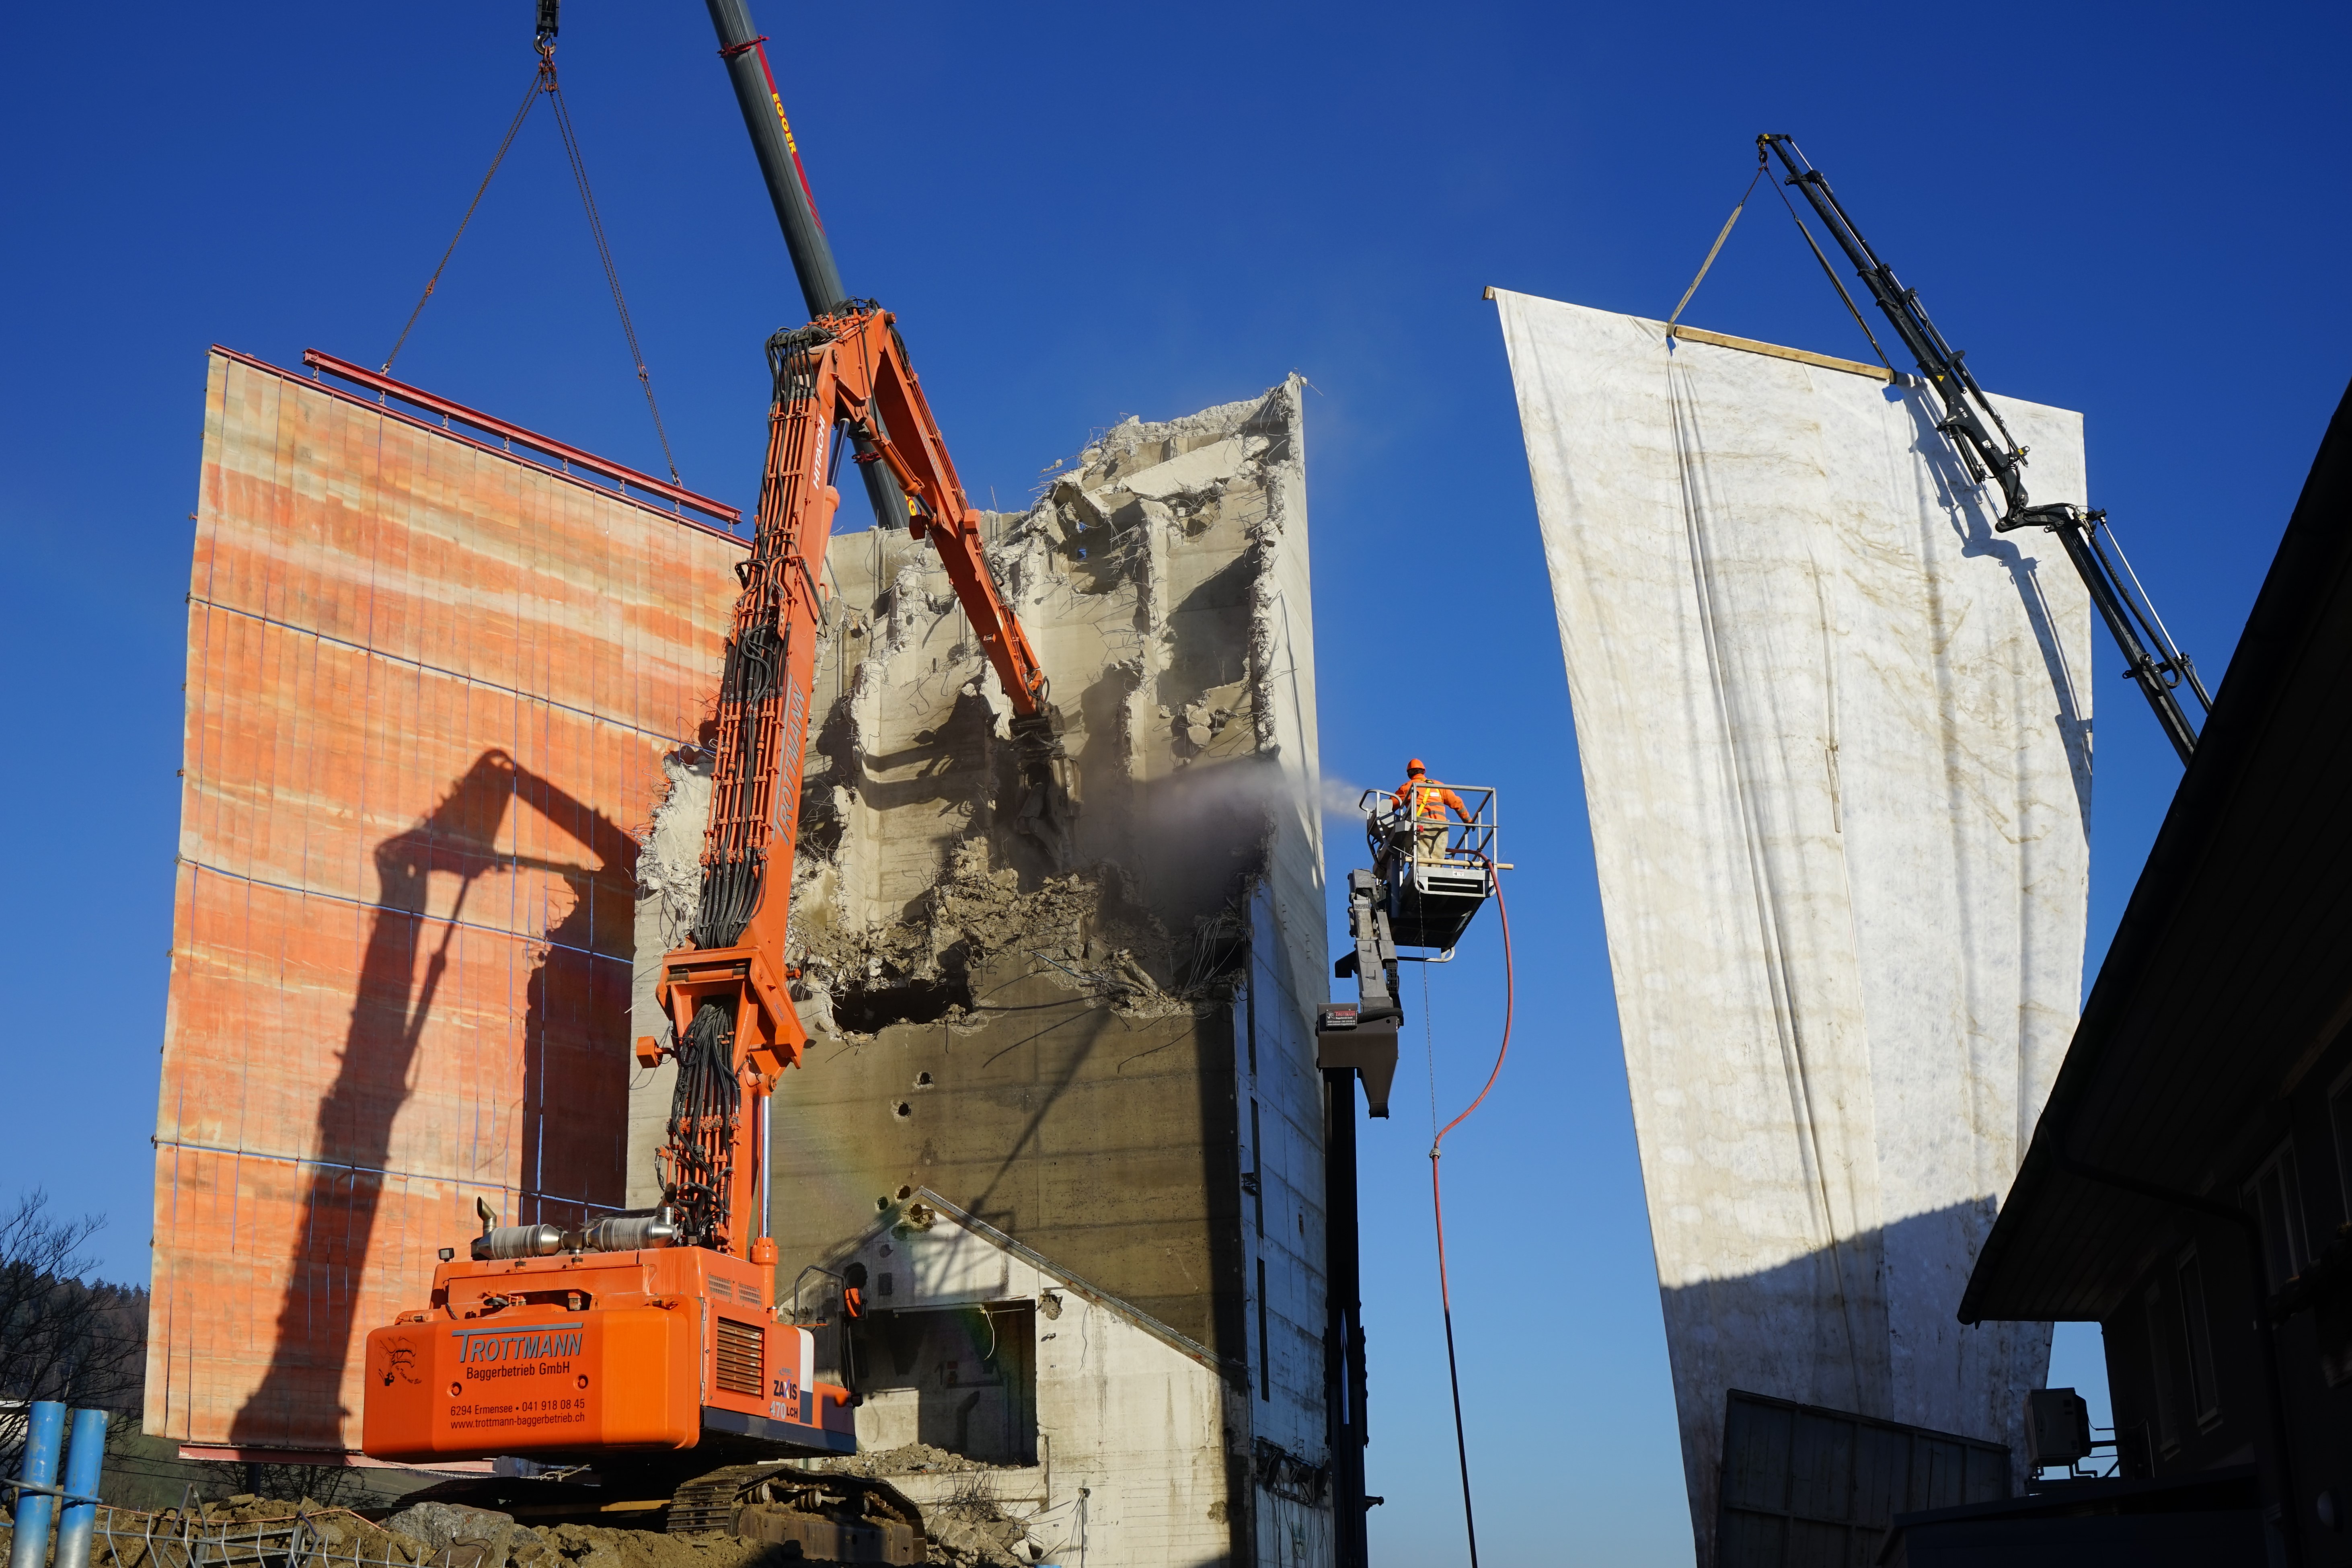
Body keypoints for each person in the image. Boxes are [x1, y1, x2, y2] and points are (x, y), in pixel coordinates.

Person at [1393, 758, 1471, 863]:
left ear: (1409, 774)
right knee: (1438, 859)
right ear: (1424, 772)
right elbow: (1457, 802)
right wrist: (1468, 821)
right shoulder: (1438, 785)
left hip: (1421, 826)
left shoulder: (1407, 787)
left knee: (1422, 860)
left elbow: (1392, 804)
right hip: (1441, 827)